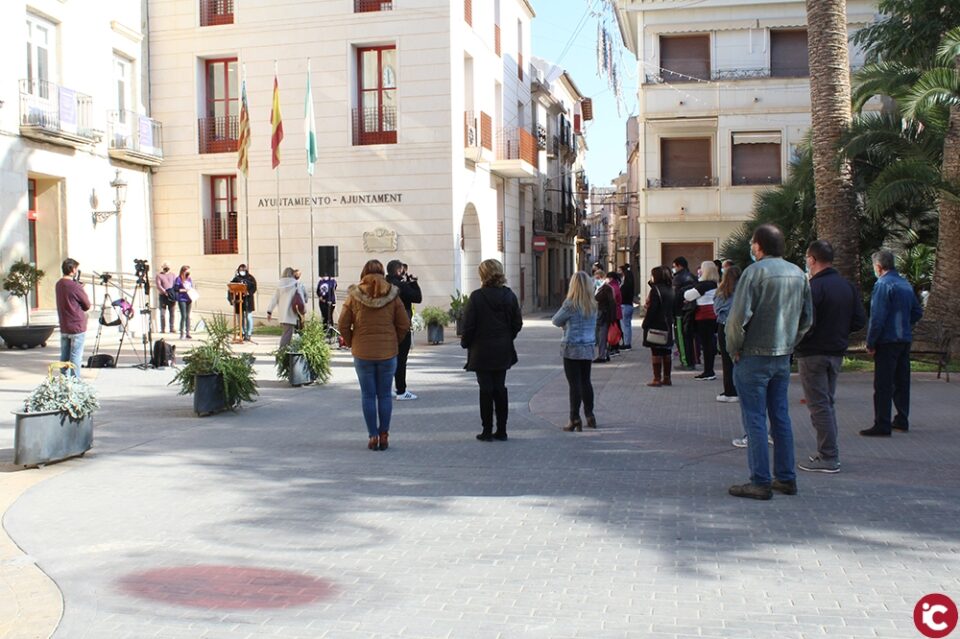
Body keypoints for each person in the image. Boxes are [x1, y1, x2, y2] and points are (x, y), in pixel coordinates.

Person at [725, 224, 812, 500]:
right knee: (780, 416)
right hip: (781, 355)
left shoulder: (754, 273)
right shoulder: (799, 274)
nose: (752, 248)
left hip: (753, 355)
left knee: (754, 419)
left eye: (753, 243)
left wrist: (734, 349)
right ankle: (786, 477)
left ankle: (760, 481)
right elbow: (807, 319)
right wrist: (789, 342)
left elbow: (737, 319)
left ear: (759, 246)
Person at [795, 240, 866, 471]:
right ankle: (827, 451)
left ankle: (828, 456)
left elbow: (806, 322)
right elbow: (858, 320)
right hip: (836, 351)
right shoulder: (846, 287)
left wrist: (799, 340)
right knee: (826, 402)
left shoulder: (813, 288)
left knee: (819, 405)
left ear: (812, 259)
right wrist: (838, 330)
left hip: (813, 352)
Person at [338, 260, 410, 451]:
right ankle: (384, 434)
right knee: (385, 395)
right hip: (388, 353)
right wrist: (394, 341)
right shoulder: (393, 294)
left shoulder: (354, 295)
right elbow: (404, 324)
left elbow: (343, 324)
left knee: (368, 395)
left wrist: (352, 341)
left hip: (363, 353)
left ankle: (372, 436)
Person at [860, 249, 923, 437]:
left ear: (878, 267)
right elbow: (917, 312)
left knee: (883, 384)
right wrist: (905, 322)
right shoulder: (904, 284)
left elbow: (877, 317)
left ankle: (882, 423)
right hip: (904, 338)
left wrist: (871, 342)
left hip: (887, 340)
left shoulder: (883, 285)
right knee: (902, 381)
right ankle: (902, 419)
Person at [461, 259, 523, 442]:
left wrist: (466, 343)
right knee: (500, 388)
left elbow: (469, 325)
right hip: (502, 348)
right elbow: (517, 323)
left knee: (485, 389)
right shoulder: (509, 295)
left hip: (481, 350)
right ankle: (502, 430)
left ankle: (487, 430)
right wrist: (506, 336)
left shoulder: (477, 297)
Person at [552, 271, 598, 431]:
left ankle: (574, 418)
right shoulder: (593, 304)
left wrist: (565, 325)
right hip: (588, 345)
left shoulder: (570, 304)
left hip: (571, 346)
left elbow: (556, 320)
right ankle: (590, 415)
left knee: (574, 384)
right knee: (586, 381)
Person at [386, 260, 423, 401]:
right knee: (401, 359)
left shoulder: (384, 284)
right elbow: (417, 298)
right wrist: (413, 283)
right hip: (401, 326)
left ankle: (386, 389)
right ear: (398, 271)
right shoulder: (400, 285)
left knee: (387, 359)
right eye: (403, 270)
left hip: (386, 326)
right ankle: (401, 390)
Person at [683, 261, 720, 380]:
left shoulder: (704, 285)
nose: (699, 271)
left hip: (704, 316)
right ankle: (709, 370)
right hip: (712, 315)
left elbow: (688, 295)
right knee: (709, 343)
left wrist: (688, 294)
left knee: (706, 344)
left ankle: (709, 371)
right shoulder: (715, 283)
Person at [55, 258, 91, 377]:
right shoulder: (75, 286)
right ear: (73, 269)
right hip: (76, 326)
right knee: (76, 356)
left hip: (64, 326)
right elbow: (86, 305)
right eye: (76, 269)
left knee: (64, 356)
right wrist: (80, 288)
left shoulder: (59, 284)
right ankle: (75, 383)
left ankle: (64, 382)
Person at [641, 266, 676, 387]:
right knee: (667, 351)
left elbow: (652, 309)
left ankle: (656, 378)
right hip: (667, 323)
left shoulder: (656, 290)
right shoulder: (670, 289)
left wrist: (645, 323)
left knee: (655, 351)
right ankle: (667, 378)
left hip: (656, 323)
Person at [715, 265, 742, 406]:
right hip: (742, 326)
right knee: (741, 358)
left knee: (727, 359)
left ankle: (729, 391)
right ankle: (742, 389)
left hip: (724, 325)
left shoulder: (722, 291)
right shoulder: (744, 290)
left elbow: (717, 308)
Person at [671, 257, 697, 369]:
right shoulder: (693, 277)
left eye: (674, 266)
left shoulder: (677, 279)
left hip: (680, 311)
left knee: (681, 337)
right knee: (689, 337)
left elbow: (675, 296)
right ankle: (691, 361)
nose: (674, 269)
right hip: (692, 309)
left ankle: (686, 362)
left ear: (679, 265)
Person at [266, 267, 302, 349]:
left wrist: (269, 311)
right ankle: (283, 352)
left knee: (287, 333)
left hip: (282, 313)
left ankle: (285, 351)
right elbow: (302, 297)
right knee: (287, 335)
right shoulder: (296, 284)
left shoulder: (280, 285)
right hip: (292, 312)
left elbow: (274, 299)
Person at [229, 264, 257, 341]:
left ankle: (249, 333)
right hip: (239, 300)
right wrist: (232, 297)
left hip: (248, 300)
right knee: (240, 318)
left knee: (248, 317)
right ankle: (242, 332)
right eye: (240, 270)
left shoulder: (250, 278)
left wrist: (248, 292)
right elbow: (230, 288)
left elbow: (254, 287)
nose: (242, 271)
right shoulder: (236, 278)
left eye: (243, 270)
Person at [593, 273, 618, 363]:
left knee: (602, 336)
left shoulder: (606, 288)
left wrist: (612, 318)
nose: (597, 280)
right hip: (603, 315)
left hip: (604, 315)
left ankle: (602, 356)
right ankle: (605, 354)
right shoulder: (602, 288)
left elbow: (611, 302)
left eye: (599, 278)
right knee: (603, 336)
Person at [155, 262, 177, 334]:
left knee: (172, 313)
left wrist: (173, 293)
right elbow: (158, 285)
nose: (166, 268)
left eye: (168, 266)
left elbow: (175, 284)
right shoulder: (159, 275)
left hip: (171, 296)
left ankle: (172, 328)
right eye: (165, 267)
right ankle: (163, 329)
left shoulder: (173, 275)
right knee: (162, 314)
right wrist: (165, 292)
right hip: (163, 296)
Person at [174, 265, 195, 339]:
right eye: (187, 271)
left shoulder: (189, 279)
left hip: (189, 298)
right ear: (183, 271)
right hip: (182, 299)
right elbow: (176, 289)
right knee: (184, 316)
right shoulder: (178, 279)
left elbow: (191, 287)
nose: (188, 272)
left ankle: (188, 332)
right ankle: (182, 333)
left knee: (188, 316)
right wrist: (184, 290)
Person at [618, 264, 635, 350]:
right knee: (627, 325)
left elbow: (622, 295)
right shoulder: (630, 285)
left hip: (624, 306)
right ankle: (627, 342)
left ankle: (626, 343)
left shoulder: (625, 286)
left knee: (625, 325)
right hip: (629, 305)